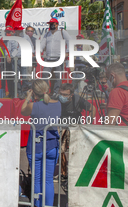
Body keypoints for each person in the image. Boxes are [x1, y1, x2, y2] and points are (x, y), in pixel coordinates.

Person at [21, 79, 60, 207]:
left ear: (34, 93)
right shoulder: (58, 104)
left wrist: (27, 97)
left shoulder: (34, 106)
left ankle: (38, 204)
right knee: (48, 180)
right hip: (52, 144)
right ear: (47, 90)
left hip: (36, 146)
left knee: (37, 180)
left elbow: (23, 111)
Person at [58, 83, 96, 180]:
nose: (62, 96)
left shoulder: (78, 99)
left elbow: (93, 109)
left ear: (71, 95)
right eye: (61, 93)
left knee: (76, 151)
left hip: (75, 128)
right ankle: (64, 174)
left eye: (65, 95)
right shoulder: (56, 98)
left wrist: (87, 123)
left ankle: (76, 172)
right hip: (62, 127)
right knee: (60, 151)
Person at [40, 18, 72, 98]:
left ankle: (56, 92)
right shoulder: (47, 34)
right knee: (45, 74)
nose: (51, 25)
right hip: (48, 58)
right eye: (50, 24)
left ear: (57, 24)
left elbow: (70, 41)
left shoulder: (62, 32)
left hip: (59, 57)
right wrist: (38, 51)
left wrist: (67, 52)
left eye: (53, 23)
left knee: (58, 76)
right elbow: (42, 44)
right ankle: (46, 92)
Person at [5, 26, 34, 98]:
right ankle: (19, 92)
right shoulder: (11, 38)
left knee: (25, 76)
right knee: (16, 77)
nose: (20, 31)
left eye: (21, 30)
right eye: (19, 30)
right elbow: (7, 49)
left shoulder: (26, 37)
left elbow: (31, 46)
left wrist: (31, 53)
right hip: (15, 60)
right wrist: (8, 56)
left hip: (24, 59)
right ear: (15, 31)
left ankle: (24, 92)